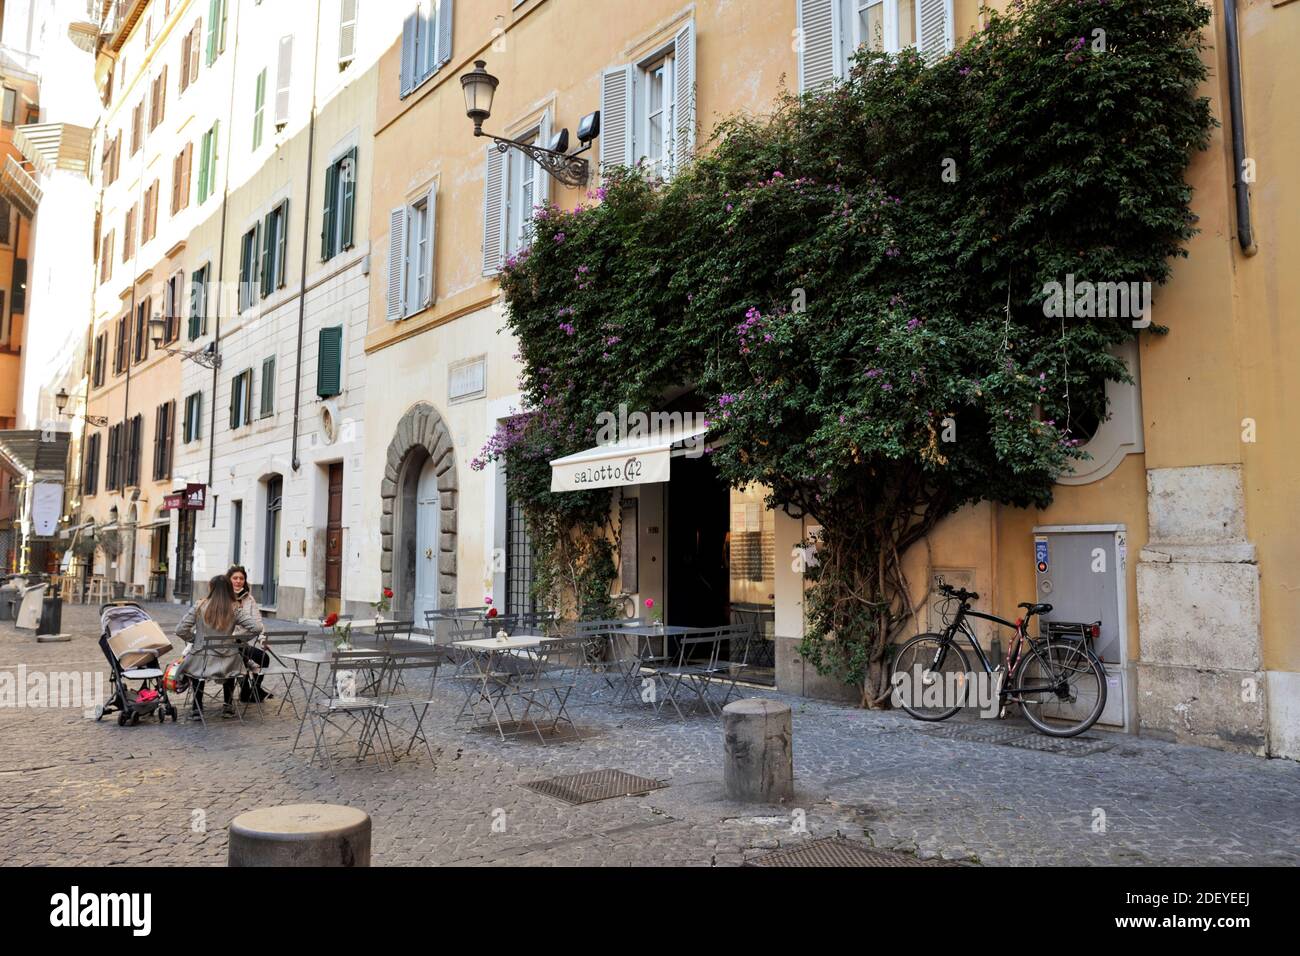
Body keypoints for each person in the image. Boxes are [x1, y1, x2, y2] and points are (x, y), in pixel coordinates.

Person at [176, 575, 261, 719]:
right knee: (230, 662)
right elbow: (257, 627)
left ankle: (197, 708)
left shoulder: (199, 606)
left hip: (202, 661)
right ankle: (228, 706)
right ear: (229, 588)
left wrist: (195, 640)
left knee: (196, 665)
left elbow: (180, 630)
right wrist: (238, 640)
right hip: (228, 661)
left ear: (211, 588)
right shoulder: (235, 608)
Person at [227, 564, 272, 703]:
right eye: (235, 578)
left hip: (243, 643)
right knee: (241, 659)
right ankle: (247, 691)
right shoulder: (223, 598)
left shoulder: (249, 599)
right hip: (228, 644)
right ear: (229, 580)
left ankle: (255, 689)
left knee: (264, 658)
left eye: (241, 578)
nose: (238, 581)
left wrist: (262, 639)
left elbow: (258, 622)